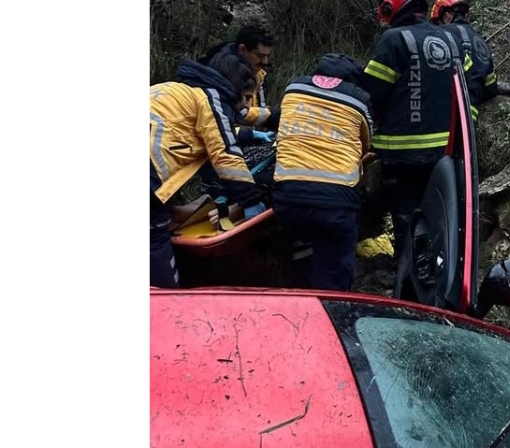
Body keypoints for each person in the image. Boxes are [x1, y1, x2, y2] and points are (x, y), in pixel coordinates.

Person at [362, 0, 472, 261]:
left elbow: (372, 91)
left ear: (391, 9)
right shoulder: (449, 38)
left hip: (402, 152)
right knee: (437, 215)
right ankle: (438, 269)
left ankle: (406, 278)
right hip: (446, 150)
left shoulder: (393, 40)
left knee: (405, 218)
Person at [149, 53, 266, 288]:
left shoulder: (173, 90)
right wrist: (250, 201)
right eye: (245, 98)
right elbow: (224, 151)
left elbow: (205, 130)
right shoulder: (210, 97)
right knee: (154, 240)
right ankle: (168, 306)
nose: (245, 107)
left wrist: (252, 132)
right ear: (232, 89)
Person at [271, 53, 373, 291]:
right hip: (336, 204)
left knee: (301, 242)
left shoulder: (293, 88)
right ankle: (330, 306)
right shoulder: (359, 98)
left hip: (287, 198)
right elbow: (366, 144)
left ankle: (297, 289)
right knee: (334, 270)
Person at [200, 21, 279, 138]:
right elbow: (219, 119)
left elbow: (256, 108)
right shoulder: (221, 72)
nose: (265, 62)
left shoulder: (253, 69)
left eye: (267, 56)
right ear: (242, 49)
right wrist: (271, 118)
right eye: (260, 56)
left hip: (239, 138)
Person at [429, 0, 499, 116]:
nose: (437, 27)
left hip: (443, 114)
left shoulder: (440, 37)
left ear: (446, 17)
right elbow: (491, 88)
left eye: (437, 23)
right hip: (470, 115)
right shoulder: (480, 41)